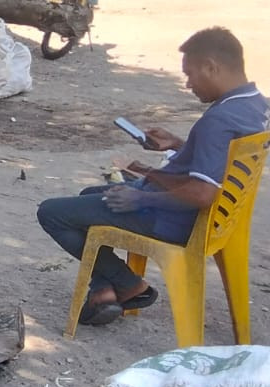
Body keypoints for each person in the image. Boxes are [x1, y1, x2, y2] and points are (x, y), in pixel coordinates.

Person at [38, 27, 268, 326]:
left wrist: (141, 196)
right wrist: (177, 145)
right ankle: (104, 291)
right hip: (217, 220)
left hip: (176, 219)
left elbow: (201, 194)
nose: (187, 84)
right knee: (88, 197)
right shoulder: (255, 105)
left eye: (190, 74)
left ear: (212, 67)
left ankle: (129, 284)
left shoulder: (218, 119)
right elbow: (221, 161)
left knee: (51, 213)